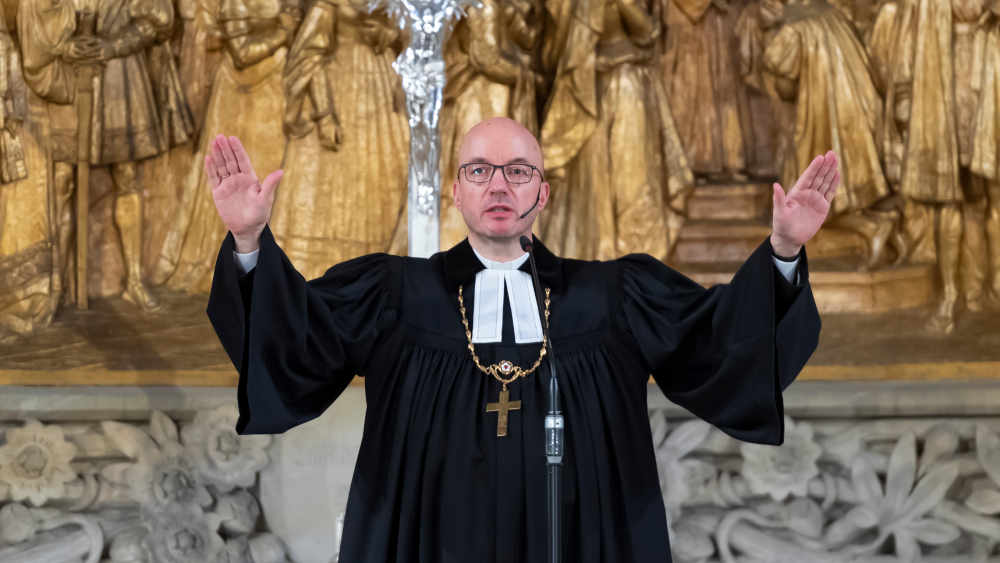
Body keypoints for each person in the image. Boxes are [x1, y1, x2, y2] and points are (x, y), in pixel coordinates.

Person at [205, 117, 834, 561]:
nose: (498, 186)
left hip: (583, 542)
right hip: (430, 543)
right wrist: (249, 243)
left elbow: (719, 344)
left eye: (517, 171)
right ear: (455, 192)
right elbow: (295, 346)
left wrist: (782, 251)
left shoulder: (614, 294)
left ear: (544, 191)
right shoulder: (394, 292)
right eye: (479, 170)